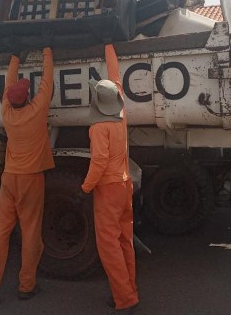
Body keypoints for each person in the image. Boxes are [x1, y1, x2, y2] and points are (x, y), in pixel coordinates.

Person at [0, 43, 55, 306]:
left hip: (9, 178)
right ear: (29, 97)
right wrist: (47, 51)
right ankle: (26, 286)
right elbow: (48, 82)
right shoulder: (37, 111)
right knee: (31, 232)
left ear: (10, 99)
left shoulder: (7, 113)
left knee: (1, 231)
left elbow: (9, 85)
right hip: (31, 179)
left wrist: (14, 56)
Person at [79, 42, 139, 314]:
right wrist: (108, 46)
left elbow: (99, 161)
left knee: (108, 246)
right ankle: (129, 291)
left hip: (107, 188)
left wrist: (86, 186)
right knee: (125, 240)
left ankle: (125, 299)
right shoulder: (121, 112)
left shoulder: (98, 127)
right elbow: (116, 77)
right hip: (125, 185)